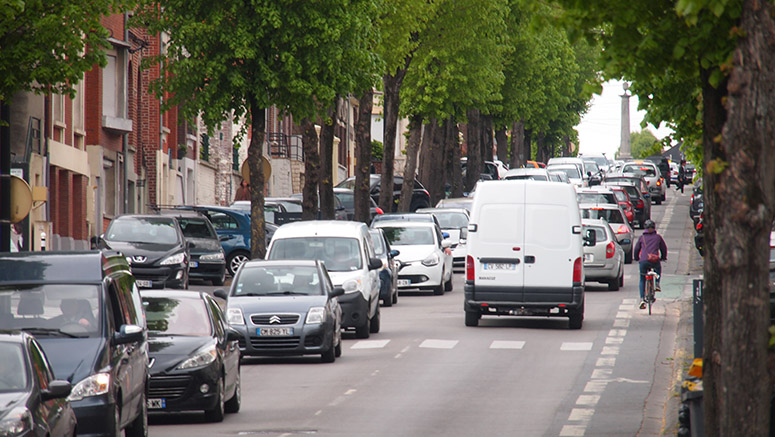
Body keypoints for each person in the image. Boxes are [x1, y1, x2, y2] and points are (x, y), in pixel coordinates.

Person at [633, 220, 668, 309]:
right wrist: (663, 257)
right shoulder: (658, 237)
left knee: (642, 279)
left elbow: (636, 249)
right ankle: (657, 283)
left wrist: (637, 258)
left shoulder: (642, 238)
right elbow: (663, 248)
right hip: (654, 260)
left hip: (644, 261)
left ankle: (642, 299)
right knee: (658, 269)